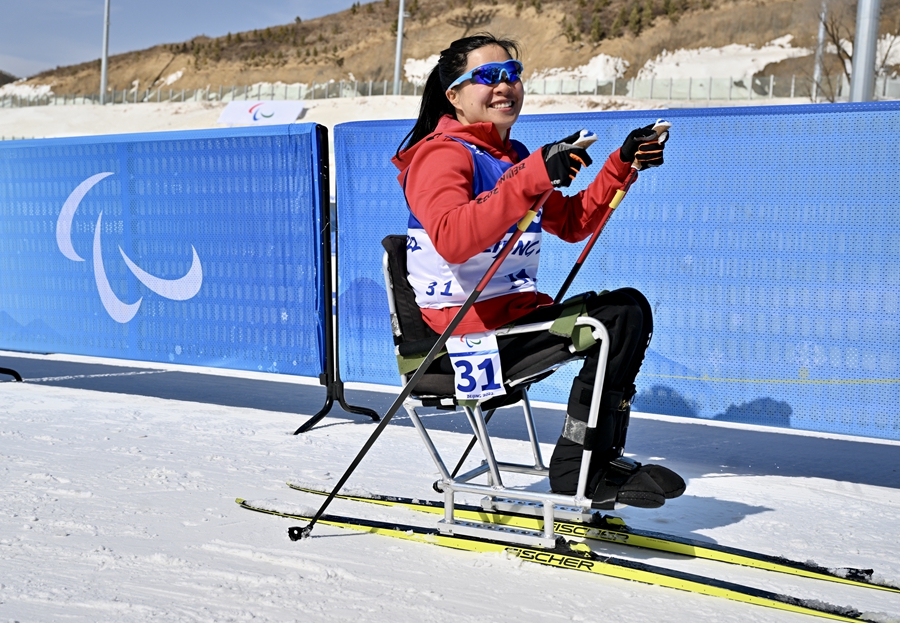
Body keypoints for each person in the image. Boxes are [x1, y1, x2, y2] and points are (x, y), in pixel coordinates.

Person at [391, 33, 684, 510]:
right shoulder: (441, 154)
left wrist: (621, 165)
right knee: (614, 320)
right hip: (465, 339)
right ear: (455, 95)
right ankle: (582, 473)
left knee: (627, 308)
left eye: (514, 74)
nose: (505, 85)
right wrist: (533, 176)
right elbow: (452, 236)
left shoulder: (509, 155)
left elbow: (572, 223)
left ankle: (594, 463)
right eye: (488, 76)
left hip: (511, 321)